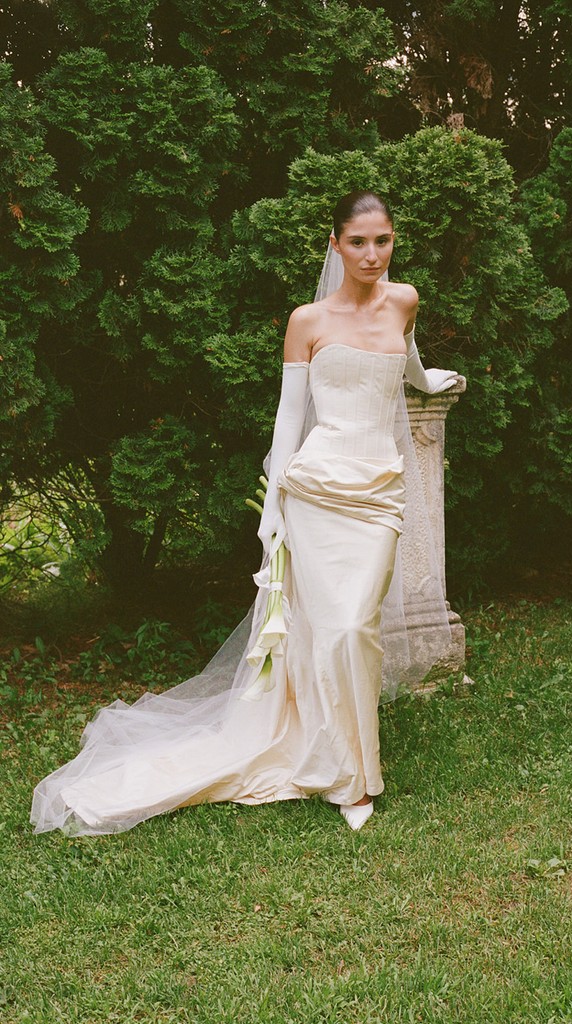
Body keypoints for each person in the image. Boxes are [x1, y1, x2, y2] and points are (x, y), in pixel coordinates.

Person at [30, 190, 464, 836]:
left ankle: (346, 757)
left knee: (352, 629)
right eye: (358, 242)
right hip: (315, 488)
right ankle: (352, 778)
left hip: (377, 492)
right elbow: (289, 415)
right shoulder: (307, 320)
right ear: (334, 244)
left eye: (383, 240)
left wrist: (427, 384)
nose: (372, 254)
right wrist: (274, 502)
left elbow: (404, 358)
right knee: (325, 632)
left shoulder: (404, 299)